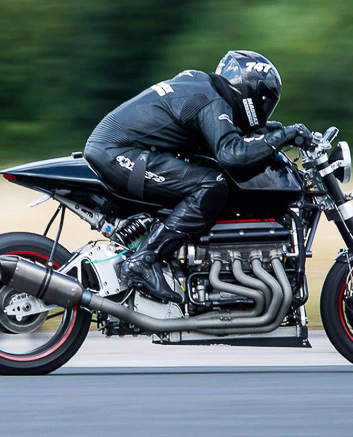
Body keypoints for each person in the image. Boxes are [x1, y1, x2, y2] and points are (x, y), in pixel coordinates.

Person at [84, 50, 311, 303]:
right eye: (265, 100)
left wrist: (274, 132)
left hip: (123, 148)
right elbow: (231, 154)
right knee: (211, 184)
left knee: (206, 178)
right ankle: (145, 260)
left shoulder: (204, 87)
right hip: (119, 153)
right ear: (250, 91)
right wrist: (281, 137)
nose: (264, 108)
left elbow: (222, 136)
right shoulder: (212, 102)